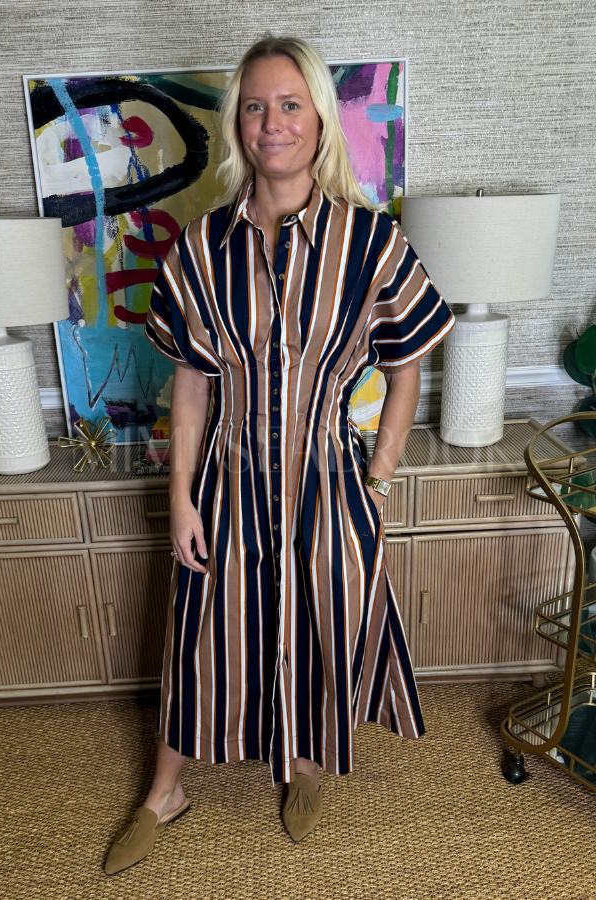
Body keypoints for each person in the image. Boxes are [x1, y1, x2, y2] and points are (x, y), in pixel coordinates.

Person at [104, 35, 454, 875]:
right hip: (226, 479)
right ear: (238, 124)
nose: (273, 123)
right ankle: (164, 790)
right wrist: (181, 497)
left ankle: (305, 762)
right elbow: (192, 383)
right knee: (203, 630)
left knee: (319, 622)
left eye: (291, 105)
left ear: (320, 120)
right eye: (256, 107)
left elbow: (408, 364)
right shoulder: (200, 247)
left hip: (332, 481)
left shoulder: (371, 244)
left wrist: (381, 476)